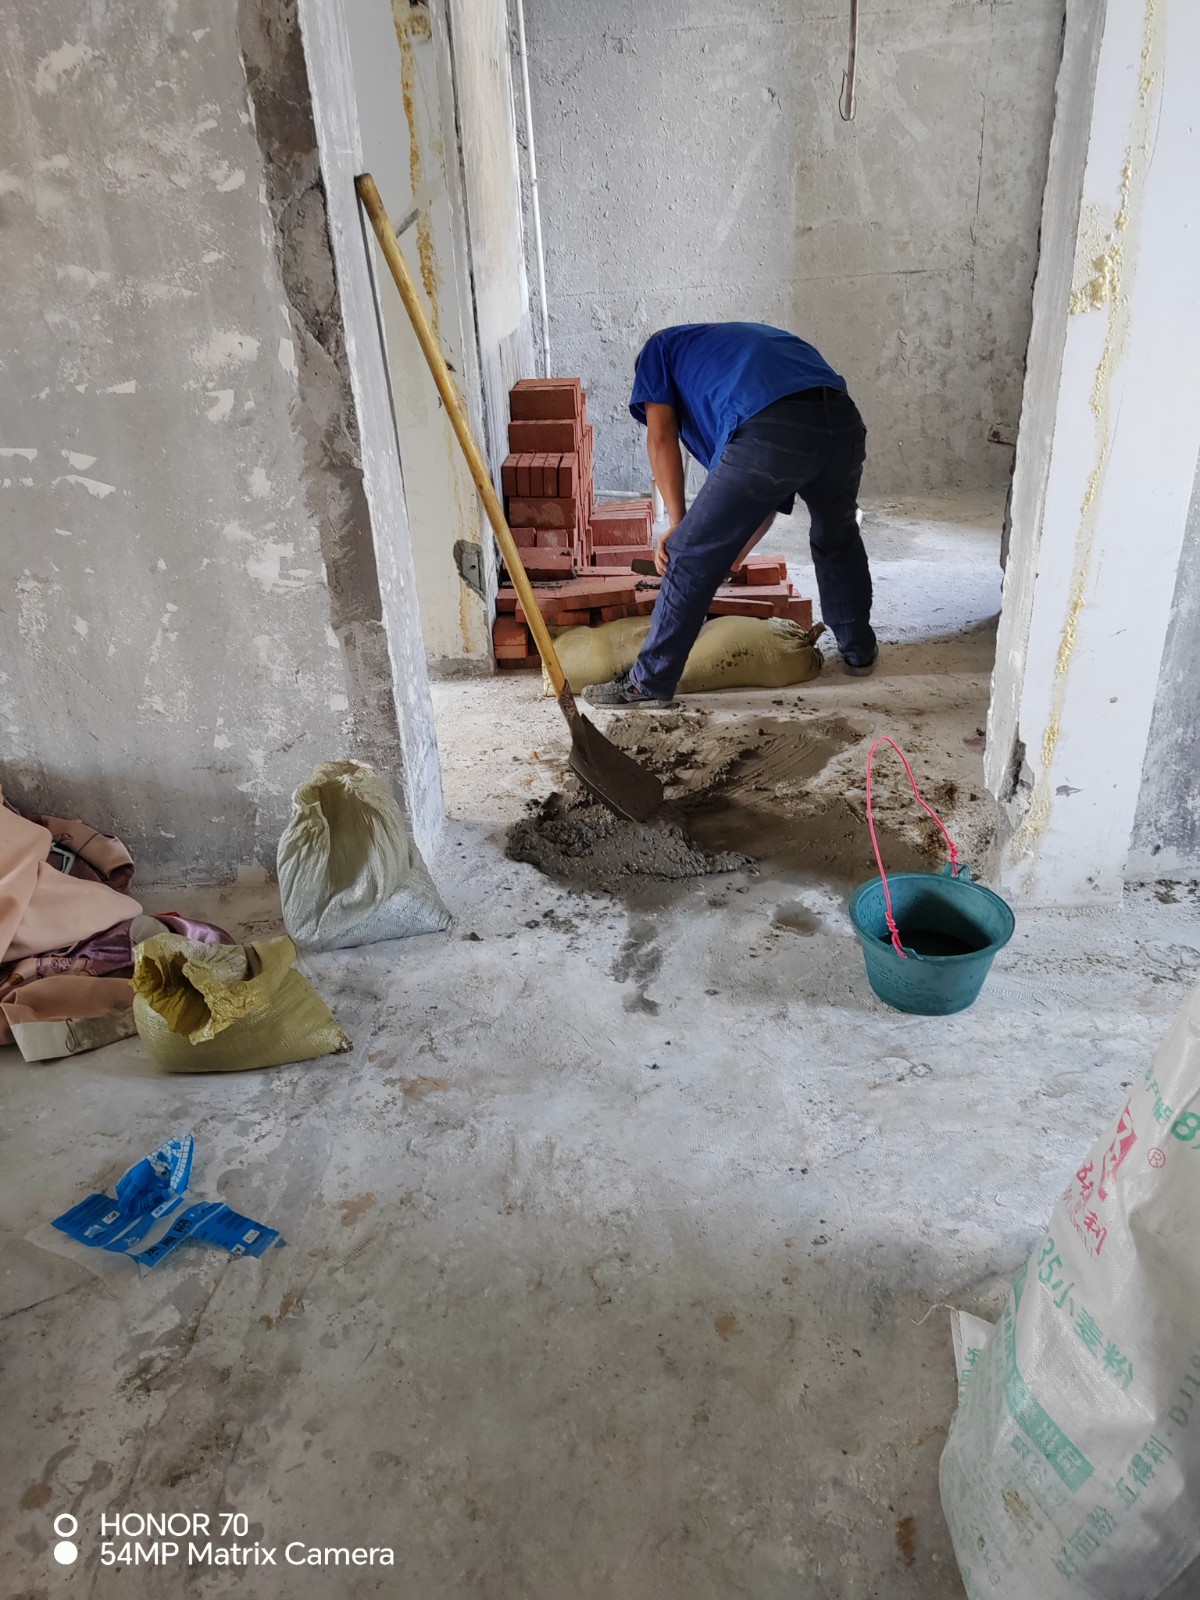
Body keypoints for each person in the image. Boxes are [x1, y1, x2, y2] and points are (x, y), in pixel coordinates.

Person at [584, 321, 876, 708]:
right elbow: (764, 495)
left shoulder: (658, 350)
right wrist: (734, 553)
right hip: (842, 424)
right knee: (836, 537)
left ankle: (648, 683)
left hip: (772, 428)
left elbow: (661, 437)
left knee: (688, 554)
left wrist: (680, 526)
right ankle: (859, 650)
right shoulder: (731, 354)